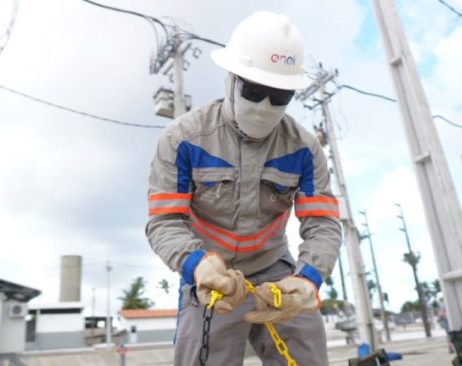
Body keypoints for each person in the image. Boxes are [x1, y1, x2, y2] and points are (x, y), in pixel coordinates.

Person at [145, 10, 341, 365]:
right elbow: (164, 221)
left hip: (277, 271)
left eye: (279, 96)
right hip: (209, 271)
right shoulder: (182, 140)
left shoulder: (305, 149)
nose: (265, 107)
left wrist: (308, 280)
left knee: (307, 351)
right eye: (254, 90)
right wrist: (198, 266)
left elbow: (323, 225)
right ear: (231, 80)